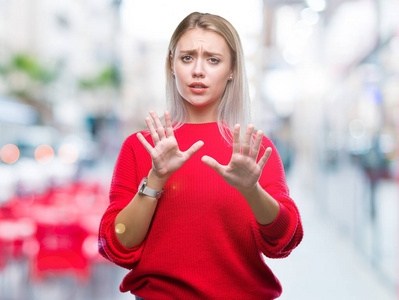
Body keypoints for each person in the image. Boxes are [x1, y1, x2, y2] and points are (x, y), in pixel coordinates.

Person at [98, 12, 303, 300]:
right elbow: (115, 243)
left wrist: (251, 190)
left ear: (232, 69)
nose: (198, 70)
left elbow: (284, 240)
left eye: (213, 59)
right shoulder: (141, 147)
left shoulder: (252, 148)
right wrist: (156, 178)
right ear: (172, 64)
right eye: (187, 58)